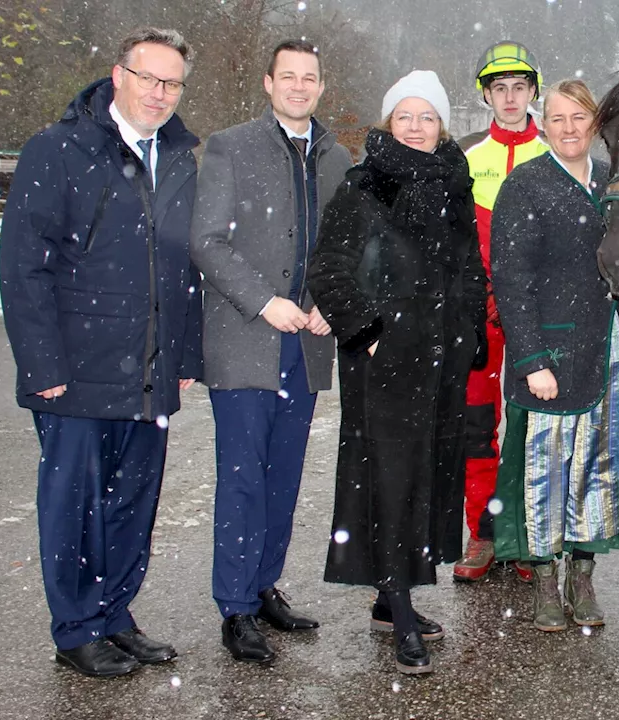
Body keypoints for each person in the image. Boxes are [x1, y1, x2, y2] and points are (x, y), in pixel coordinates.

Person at [0, 27, 202, 678]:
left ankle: (115, 614)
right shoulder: (57, 150)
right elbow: (22, 266)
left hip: (149, 370)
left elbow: (183, 267)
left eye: (172, 83)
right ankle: (76, 627)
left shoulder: (178, 158)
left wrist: (187, 354)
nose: (159, 93)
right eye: (148, 77)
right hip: (77, 372)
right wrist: (42, 365)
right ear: (118, 76)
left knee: (132, 503)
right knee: (73, 505)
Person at [307, 70, 487, 675]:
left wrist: (467, 339)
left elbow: (469, 269)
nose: (416, 127)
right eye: (405, 116)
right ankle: (401, 606)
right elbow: (328, 268)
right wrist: (368, 331)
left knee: (428, 475)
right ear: (389, 123)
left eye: (428, 117)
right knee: (387, 477)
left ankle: (393, 597)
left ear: (441, 126)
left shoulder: (455, 184)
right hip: (385, 363)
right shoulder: (366, 186)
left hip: (440, 361)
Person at [189, 39, 352, 664]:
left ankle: (262, 588)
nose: (299, 87)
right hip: (246, 338)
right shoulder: (231, 147)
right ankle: (234, 607)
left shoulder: (337, 157)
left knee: (282, 477)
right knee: (241, 478)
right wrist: (265, 302)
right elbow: (207, 242)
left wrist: (326, 302)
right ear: (268, 82)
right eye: (289, 77)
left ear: (319, 85)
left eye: (309, 77)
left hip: (306, 343)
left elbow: (343, 246)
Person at [489, 79, 619, 632]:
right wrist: (530, 360)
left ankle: (582, 577)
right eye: (559, 118)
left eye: (579, 117)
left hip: (610, 348)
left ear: (597, 124)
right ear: (544, 124)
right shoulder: (526, 185)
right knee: (545, 471)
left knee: (598, 467)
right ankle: (545, 577)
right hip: (549, 352)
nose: (569, 128)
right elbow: (511, 281)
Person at [454, 40, 549, 583]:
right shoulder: (468, 159)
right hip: (482, 317)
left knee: (534, 424)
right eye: (500, 89)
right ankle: (486, 533)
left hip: (536, 316)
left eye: (519, 87)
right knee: (477, 427)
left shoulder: (554, 153)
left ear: (533, 92)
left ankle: (529, 535)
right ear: (486, 96)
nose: (510, 98)